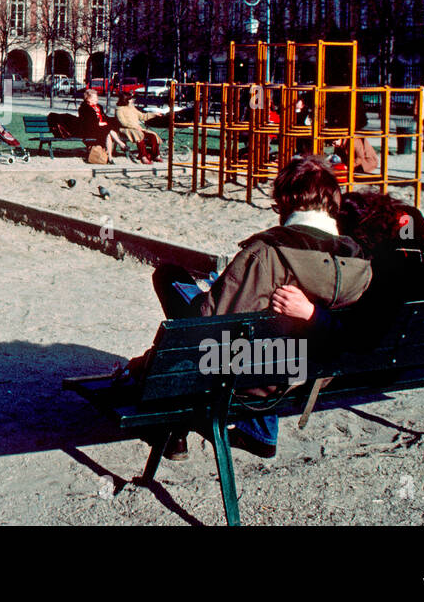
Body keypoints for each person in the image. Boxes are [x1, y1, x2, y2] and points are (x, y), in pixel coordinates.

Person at [146, 155, 373, 459]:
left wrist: (207, 295)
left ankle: (175, 425)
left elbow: (214, 326)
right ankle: (260, 429)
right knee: (269, 334)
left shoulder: (267, 252)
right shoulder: (357, 259)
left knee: (170, 279)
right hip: (312, 371)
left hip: (254, 375)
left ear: (287, 200)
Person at [269, 189, 424, 354]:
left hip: (377, 362)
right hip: (417, 347)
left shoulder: (383, 277)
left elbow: (358, 337)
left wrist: (311, 313)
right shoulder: (407, 224)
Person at [78, 88, 125, 162]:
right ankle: (120, 144)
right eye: (94, 97)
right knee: (108, 129)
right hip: (90, 130)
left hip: (102, 128)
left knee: (108, 133)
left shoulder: (99, 106)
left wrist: (110, 121)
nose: (97, 99)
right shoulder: (83, 108)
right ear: (88, 98)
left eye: (96, 97)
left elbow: (104, 117)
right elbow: (86, 122)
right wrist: (99, 123)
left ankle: (110, 157)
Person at [115, 92, 162, 164]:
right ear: (126, 99)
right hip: (126, 129)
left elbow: (142, 116)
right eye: (130, 99)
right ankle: (143, 156)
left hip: (137, 129)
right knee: (139, 136)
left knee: (152, 136)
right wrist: (135, 126)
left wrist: (154, 114)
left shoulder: (132, 108)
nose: (132, 100)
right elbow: (123, 123)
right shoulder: (119, 110)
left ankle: (155, 155)